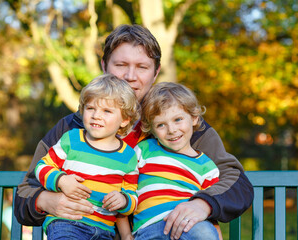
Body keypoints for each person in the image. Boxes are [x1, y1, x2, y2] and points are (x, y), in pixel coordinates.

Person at [14, 24, 253, 239]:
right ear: (104, 66)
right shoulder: (73, 128)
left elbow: (237, 182)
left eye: (142, 67)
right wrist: (46, 200)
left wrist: (204, 204)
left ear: (156, 72)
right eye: (120, 65)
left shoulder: (178, 126)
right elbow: (26, 193)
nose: (131, 77)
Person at [34, 74, 141, 239]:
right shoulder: (72, 139)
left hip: (105, 230)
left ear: (125, 120)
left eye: (107, 111)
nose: (96, 115)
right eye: (91, 108)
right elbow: (42, 167)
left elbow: (132, 196)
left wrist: (124, 200)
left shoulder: (128, 156)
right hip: (67, 223)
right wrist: (61, 180)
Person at [128, 82, 220, 239]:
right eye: (161, 125)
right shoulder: (145, 150)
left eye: (178, 119)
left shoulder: (207, 167)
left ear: (194, 118)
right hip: (150, 230)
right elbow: (124, 183)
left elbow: (210, 214)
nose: (171, 130)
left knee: (204, 231)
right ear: (152, 130)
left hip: (187, 226)